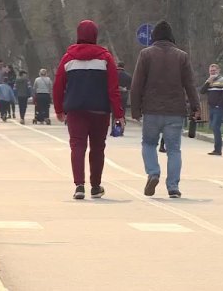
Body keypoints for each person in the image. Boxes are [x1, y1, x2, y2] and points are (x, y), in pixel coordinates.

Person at [53, 20, 124, 200]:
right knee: (98, 147)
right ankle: (95, 185)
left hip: (75, 110)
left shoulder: (68, 58)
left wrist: (59, 109)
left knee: (77, 146)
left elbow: (58, 85)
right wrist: (119, 114)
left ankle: (79, 185)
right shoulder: (105, 58)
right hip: (100, 110)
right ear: (95, 35)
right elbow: (113, 89)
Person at [130, 21, 200, 198]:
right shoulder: (181, 56)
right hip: (175, 110)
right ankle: (173, 187)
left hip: (151, 109)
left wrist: (135, 108)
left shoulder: (146, 54)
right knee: (174, 149)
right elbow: (189, 84)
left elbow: (137, 83)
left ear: (154, 37)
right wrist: (195, 106)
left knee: (148, 144)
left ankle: (153, 172)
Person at [200, 64, 223, 156]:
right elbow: (202, 91)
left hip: (218, 107)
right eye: (211, 71)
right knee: (213, 127)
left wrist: (218, 105)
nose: (212, 72)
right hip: (211, 107)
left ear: (218, 70)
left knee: (216, 126)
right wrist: (208, 82)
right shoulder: (210, 81)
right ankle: (216, 148)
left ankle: (218, 149)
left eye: (214, 70)